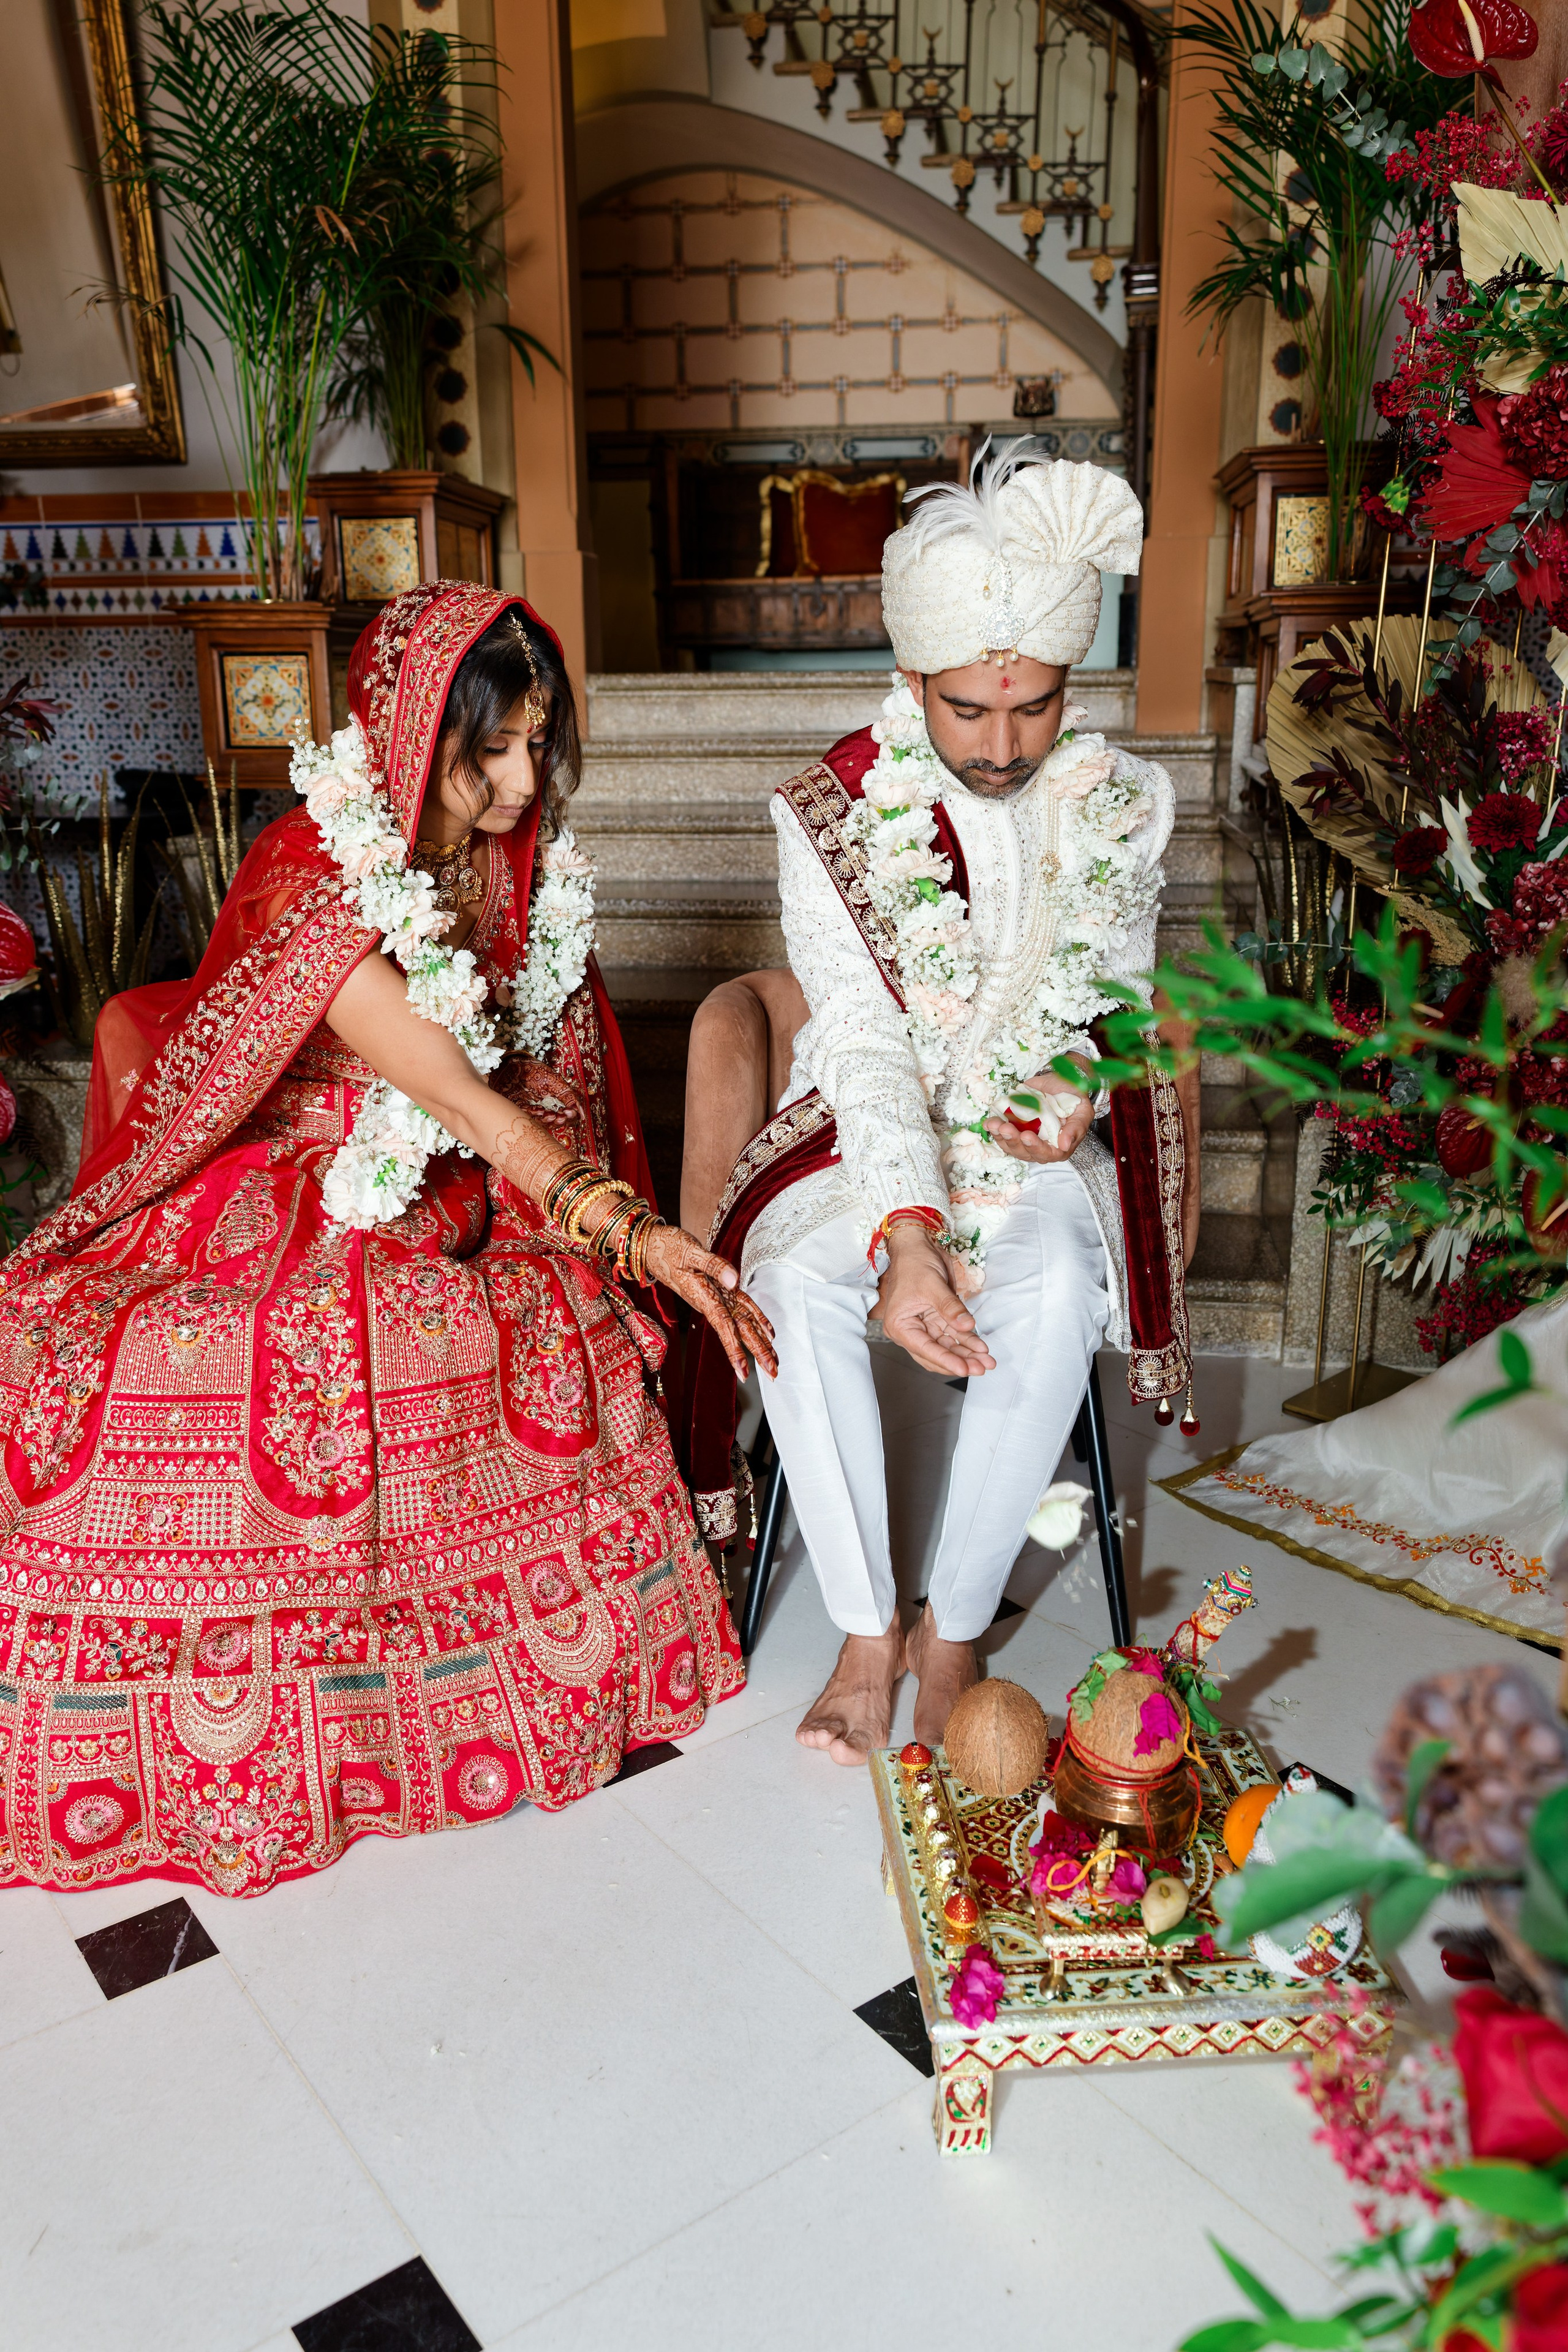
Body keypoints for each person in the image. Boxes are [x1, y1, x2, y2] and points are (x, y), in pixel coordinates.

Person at [0, 582, 774, 1898]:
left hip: (461, 1170)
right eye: (491, 752)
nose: (524, 781)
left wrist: (560, 1211)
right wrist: (625, 1231)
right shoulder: (317, 865)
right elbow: (458, 1088)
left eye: (539, 745)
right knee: (257, 1337)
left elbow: (539, 1077)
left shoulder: (510, 866)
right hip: (296, 1156)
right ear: (414, 737)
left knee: (506, 1318)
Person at [681, 442, 1197, 1763]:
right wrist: (907, 1231)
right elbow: (853, 1038)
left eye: (1031, 709)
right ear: (912, 681)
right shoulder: (832, 810)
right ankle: (865, 1626)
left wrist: (1077, 1077)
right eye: (967, 710)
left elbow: (1117, 994)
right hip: (862, 1124)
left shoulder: (1120, 800)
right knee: (794, 1290)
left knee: (1045, 1285)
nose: (1002, 744)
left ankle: (954, 1623)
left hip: (1030, 1146)